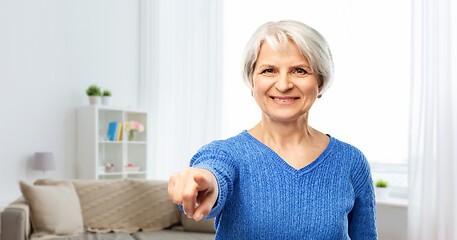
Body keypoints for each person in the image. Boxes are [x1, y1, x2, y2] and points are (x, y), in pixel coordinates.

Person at [168, 20, 377, 239]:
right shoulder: (225, 155)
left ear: (321, 82)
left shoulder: (351, 161)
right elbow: (213, 173)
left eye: (299, 70)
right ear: (252, 82)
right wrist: (204, 182)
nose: (284, 84)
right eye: (269, 70)